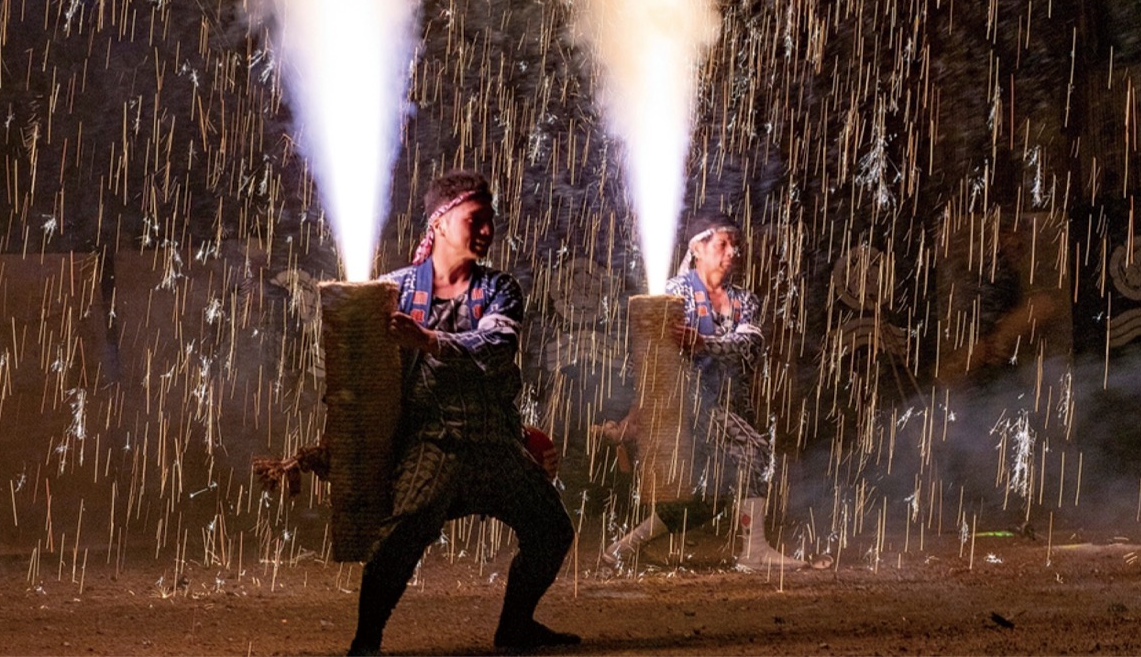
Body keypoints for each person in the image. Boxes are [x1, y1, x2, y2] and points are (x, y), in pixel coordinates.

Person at [349, 170, 578, 656]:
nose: (487, 230)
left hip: (495, 443)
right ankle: (365, 642)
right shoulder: (392, 291)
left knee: (552, 530)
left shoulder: (500, 289)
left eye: (490, 221)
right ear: (440, 223)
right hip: (435, 442)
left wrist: (428, 339)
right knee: (404, 530)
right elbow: (360, 374)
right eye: (476, 219)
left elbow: (497, 346)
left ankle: (514, 628)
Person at [602, 212, 820, 572]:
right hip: (693, 406)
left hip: (731, 406)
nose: (732, 251)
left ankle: (621, 549)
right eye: (722, 243)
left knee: (710, 496)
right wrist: (641, 412)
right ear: (697, 248)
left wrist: (703, 343)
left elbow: (749, 344)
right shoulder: (673, 294)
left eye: (735, 244)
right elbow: (653, 357)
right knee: (753, 450)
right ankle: (755, 551)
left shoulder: (745, 300)